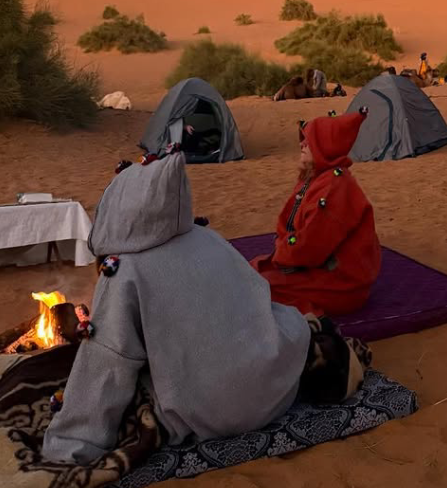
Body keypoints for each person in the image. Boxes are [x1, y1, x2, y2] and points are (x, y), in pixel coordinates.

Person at [42, 149, 368, 464]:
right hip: (272, 394)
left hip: (211, 414)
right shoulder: (207, 238)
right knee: (286, 322)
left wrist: (74, 441)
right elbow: (255, 299)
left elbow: (109, 360)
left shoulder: (125, 271)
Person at [252, 110, 380, 317]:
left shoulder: (333, 188)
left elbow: (309, 246)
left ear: (325, 147)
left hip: (340, 285)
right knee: (251, 271)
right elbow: (290, 228)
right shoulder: (316, 178)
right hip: (313, 268)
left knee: (255, 289)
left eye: (309, 141)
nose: (302, 145)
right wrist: (282, 250)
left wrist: (282, 252)